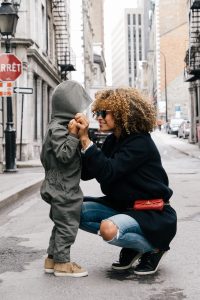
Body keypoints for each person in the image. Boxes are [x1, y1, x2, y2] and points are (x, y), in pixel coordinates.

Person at [75, 87, 177, 276]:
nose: (99, 117)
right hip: (122, 207)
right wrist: (78, 139)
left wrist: (86, 141)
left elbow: (108, 172)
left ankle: (152, 248)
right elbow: (88, 173)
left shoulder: (140, 143)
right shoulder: (113, 141)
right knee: (72, 212)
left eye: (104, 113)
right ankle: (134, 246)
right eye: (98, 112)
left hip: (151, 213)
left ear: (122, 114)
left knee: (108, 230)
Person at [40, 80, 91, 277]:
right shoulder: (61, 129)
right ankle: (63, 263)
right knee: (68, 225)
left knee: (60, 224)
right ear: (69, 105)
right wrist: (73, 136)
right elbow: (64, 155)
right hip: (64, 188)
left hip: (56, 185)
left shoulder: (55, 126)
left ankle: (52, 259)